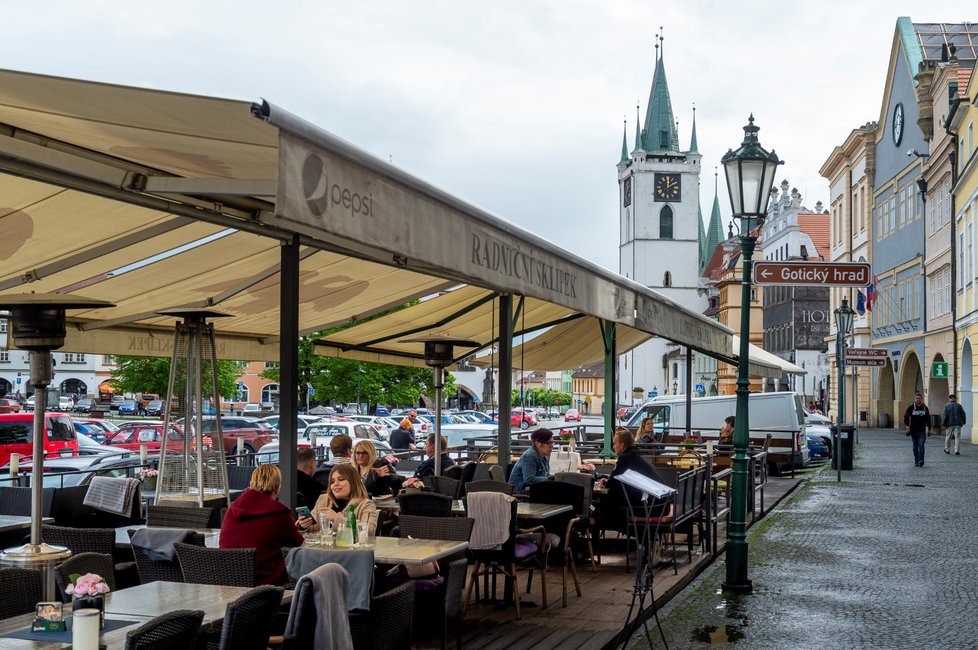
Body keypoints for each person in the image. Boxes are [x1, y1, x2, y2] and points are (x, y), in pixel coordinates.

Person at [220, 464, 305, 585]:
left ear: (251, 484)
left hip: (227, 581)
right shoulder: (279, 512)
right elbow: (299, 543)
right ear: (278, 488)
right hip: (267, 585)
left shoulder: (233, 508)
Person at [599, 428, 670, 519]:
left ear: (622, 445)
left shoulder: (625, 458)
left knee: (606, 501)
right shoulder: (635, 454)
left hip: (651, 508)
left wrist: (606, 481)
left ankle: (598, 521)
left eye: (615, 443)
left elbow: (611, 483)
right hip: (661, 503)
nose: (613, 446)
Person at [307, 463, 378, 537]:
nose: (335, 484)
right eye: (332, 481)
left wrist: (336, 518)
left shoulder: (366, 505)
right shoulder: (323, 499)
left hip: (351, 548)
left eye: (341, 479)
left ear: (353, 482)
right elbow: (313, 528)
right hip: (323, 547)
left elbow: (368, 532)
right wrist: (305, 525)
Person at [508, 428, 554, 494]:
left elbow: (545, 476)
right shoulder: (530, 456)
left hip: (532, 489)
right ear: (538, 444)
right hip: (520, 493)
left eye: (552, 442)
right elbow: (529, 480)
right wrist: (549, 479)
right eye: (549, 443)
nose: (552, 446)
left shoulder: (544, 456)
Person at [903, 392, 931, 467]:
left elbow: (928, 419)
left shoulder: (925, 408)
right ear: (914, 399)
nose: (918, 400)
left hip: (922, 430)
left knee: (921, 445)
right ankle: (916, 459)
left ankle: (921, 460)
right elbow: (905, 417)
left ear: (921, 399)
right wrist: (907, 425)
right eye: (916, 398)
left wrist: (929, 428)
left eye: (919, 398)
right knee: (915, 447)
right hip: (913, 431)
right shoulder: (911, 407)